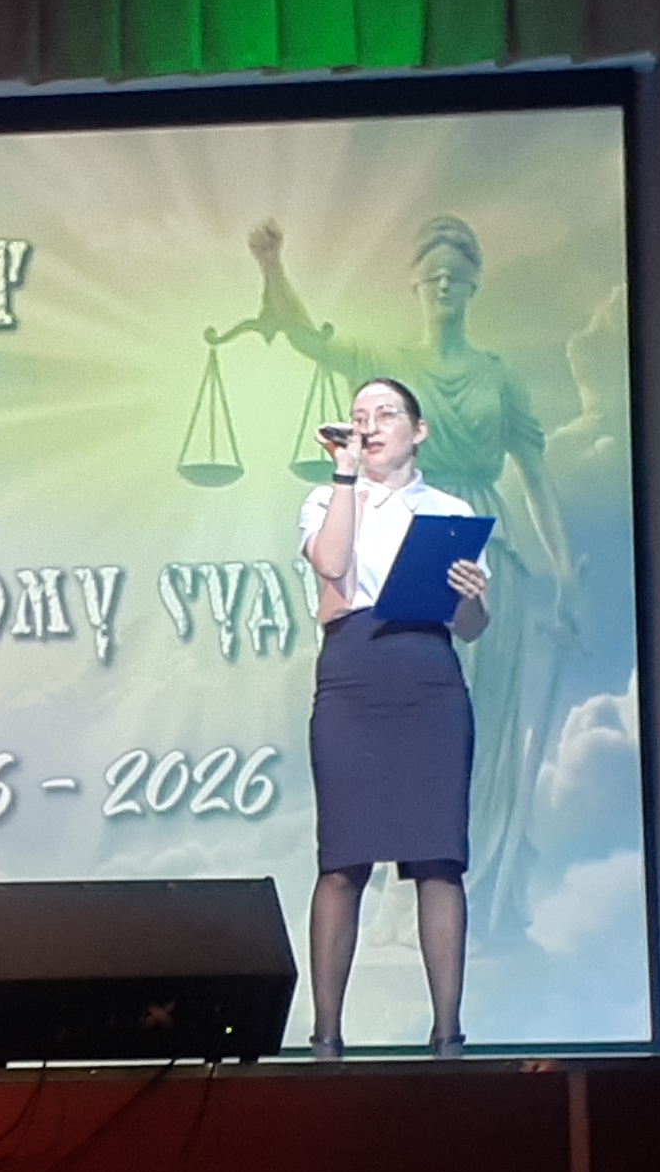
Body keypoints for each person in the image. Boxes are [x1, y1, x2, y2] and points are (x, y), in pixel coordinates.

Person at [246, 214, 576, 938]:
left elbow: (536, 477)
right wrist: (272, 265)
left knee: (480, 722)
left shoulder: (498, 376)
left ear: (475, 281)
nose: (445, 283)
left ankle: (477, 890)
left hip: (478, 536)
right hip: (396, 539)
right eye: (433, 273)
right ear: (416, 283)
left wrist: (563, 573)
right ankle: (402, 890)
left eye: (458, 271)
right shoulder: (389, 363)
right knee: (403, 719)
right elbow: (307, 337)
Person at [297, 377, 492, 1059]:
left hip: (429, 680)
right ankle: (326, 1037)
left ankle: (448, 1034)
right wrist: (346, 476)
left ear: (419, 429)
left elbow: (471, 626)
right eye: (359, 416)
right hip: (353, 678)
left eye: (385, 414)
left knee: (439, 858)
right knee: (343, 859)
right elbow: (332, 563)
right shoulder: (328, 497)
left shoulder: (450, 511)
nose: (371, 425)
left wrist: (472, 596)